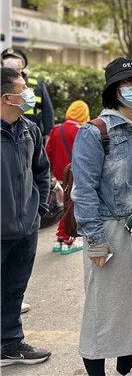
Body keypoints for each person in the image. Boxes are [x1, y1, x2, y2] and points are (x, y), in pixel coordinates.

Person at [71, 57, 132, 376]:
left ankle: (126, 367)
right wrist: (96, 241)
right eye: (128, 83)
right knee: (104, 309)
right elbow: (83, 190)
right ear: (113, 90)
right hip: (110, 231)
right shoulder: (95, 131)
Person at [0, 67, 52, 367]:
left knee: (14, 289)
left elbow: (42, 171)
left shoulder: (30, 129)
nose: (29, 93)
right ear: (7, 97)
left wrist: (39, 208)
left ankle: (9, 344)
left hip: (26, 228)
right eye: (23, 88)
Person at [46, 100, 90, 254]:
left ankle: (60, 238)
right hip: (75, 176)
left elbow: (47, 153)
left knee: (65, 206)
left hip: (59, 176)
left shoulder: (56, 129)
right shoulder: (82, 130)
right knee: (70, 207)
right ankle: (66, 238)